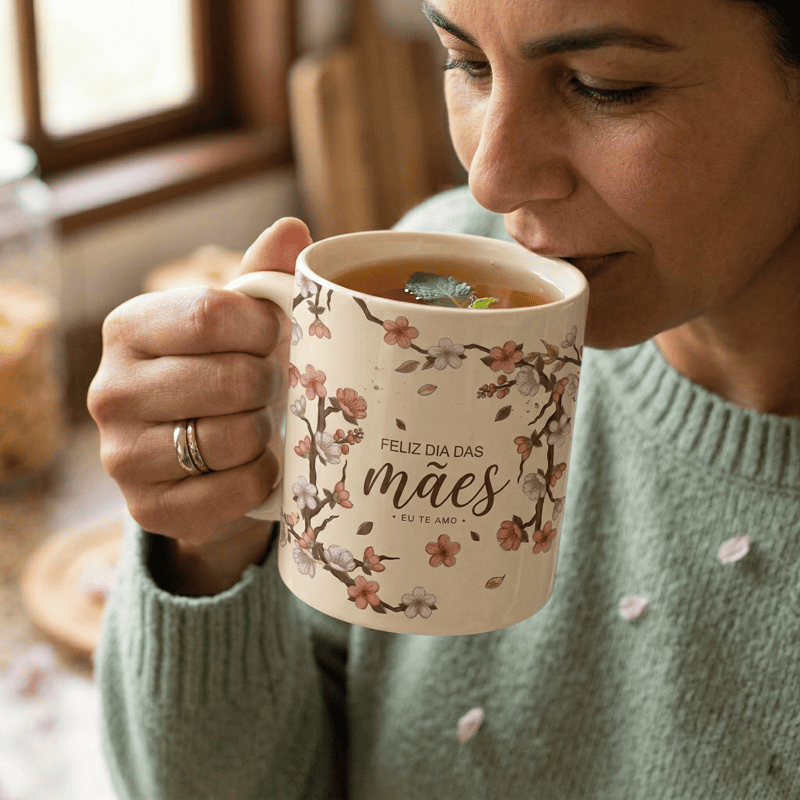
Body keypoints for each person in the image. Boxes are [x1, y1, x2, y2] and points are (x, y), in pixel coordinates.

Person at [88, 0, 800, 797]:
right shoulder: (439, 298)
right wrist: (211, 545)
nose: (490, 180)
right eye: (467, 63)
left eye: (604, 87)